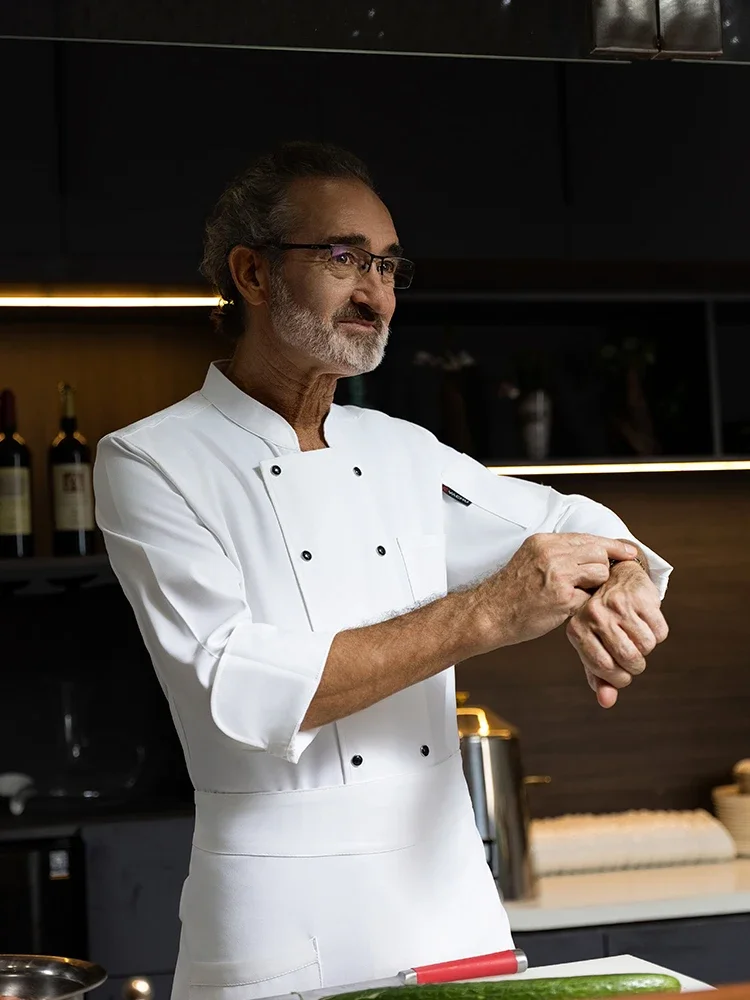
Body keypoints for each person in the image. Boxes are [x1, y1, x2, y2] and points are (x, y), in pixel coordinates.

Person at [93, 141, 671, 1000]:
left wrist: (619, 585)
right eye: (343, 259)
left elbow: (574, 522)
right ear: (251, 274)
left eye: (389, 265)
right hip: (282, 925)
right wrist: (484, 615)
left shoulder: (401, 449)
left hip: (449, 904)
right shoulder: (152, 460)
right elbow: (237, 689)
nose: (376, 292)